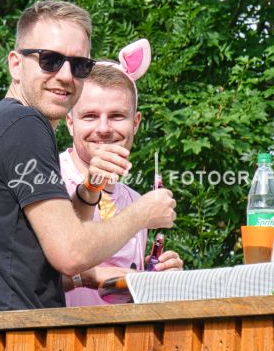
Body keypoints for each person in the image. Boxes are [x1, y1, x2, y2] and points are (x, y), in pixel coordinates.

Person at [0, 0, 176, 314]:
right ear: (15, 64)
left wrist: (88, 193)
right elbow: (71, 254)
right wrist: (143, 213)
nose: (65, 76)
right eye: (50, 60)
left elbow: (32, 262)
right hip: (6, 331)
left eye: (79, 65)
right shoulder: (25, 124)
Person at [59, 45, 184, 306]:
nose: (104, 128)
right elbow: (24, 274)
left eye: (116, 116)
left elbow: (126, 295)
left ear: (135, 123)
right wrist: (94, 276)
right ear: (71, 123)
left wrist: (161, 279)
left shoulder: (136, 200)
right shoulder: (48, 177)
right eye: (90, 116)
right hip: (55, 332)